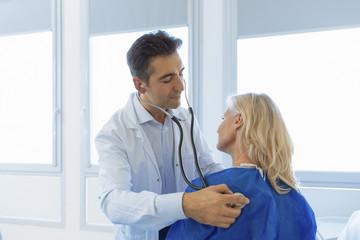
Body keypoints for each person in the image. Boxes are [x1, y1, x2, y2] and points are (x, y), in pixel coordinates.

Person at [94, 30, 249, 240]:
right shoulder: (114, 133)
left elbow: (207, 168)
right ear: (140, 85)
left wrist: (243, 184)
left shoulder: (185, 118)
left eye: (181, 73)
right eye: (167, 79)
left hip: (186, 232)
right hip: (145, 233)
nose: (181, 86)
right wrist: (184, 204)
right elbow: (113, 202)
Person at [166, 93, 317, 239]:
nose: (218, 128)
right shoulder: (296, 198)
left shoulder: (206, 191)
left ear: (238, 120)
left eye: (223, 118)